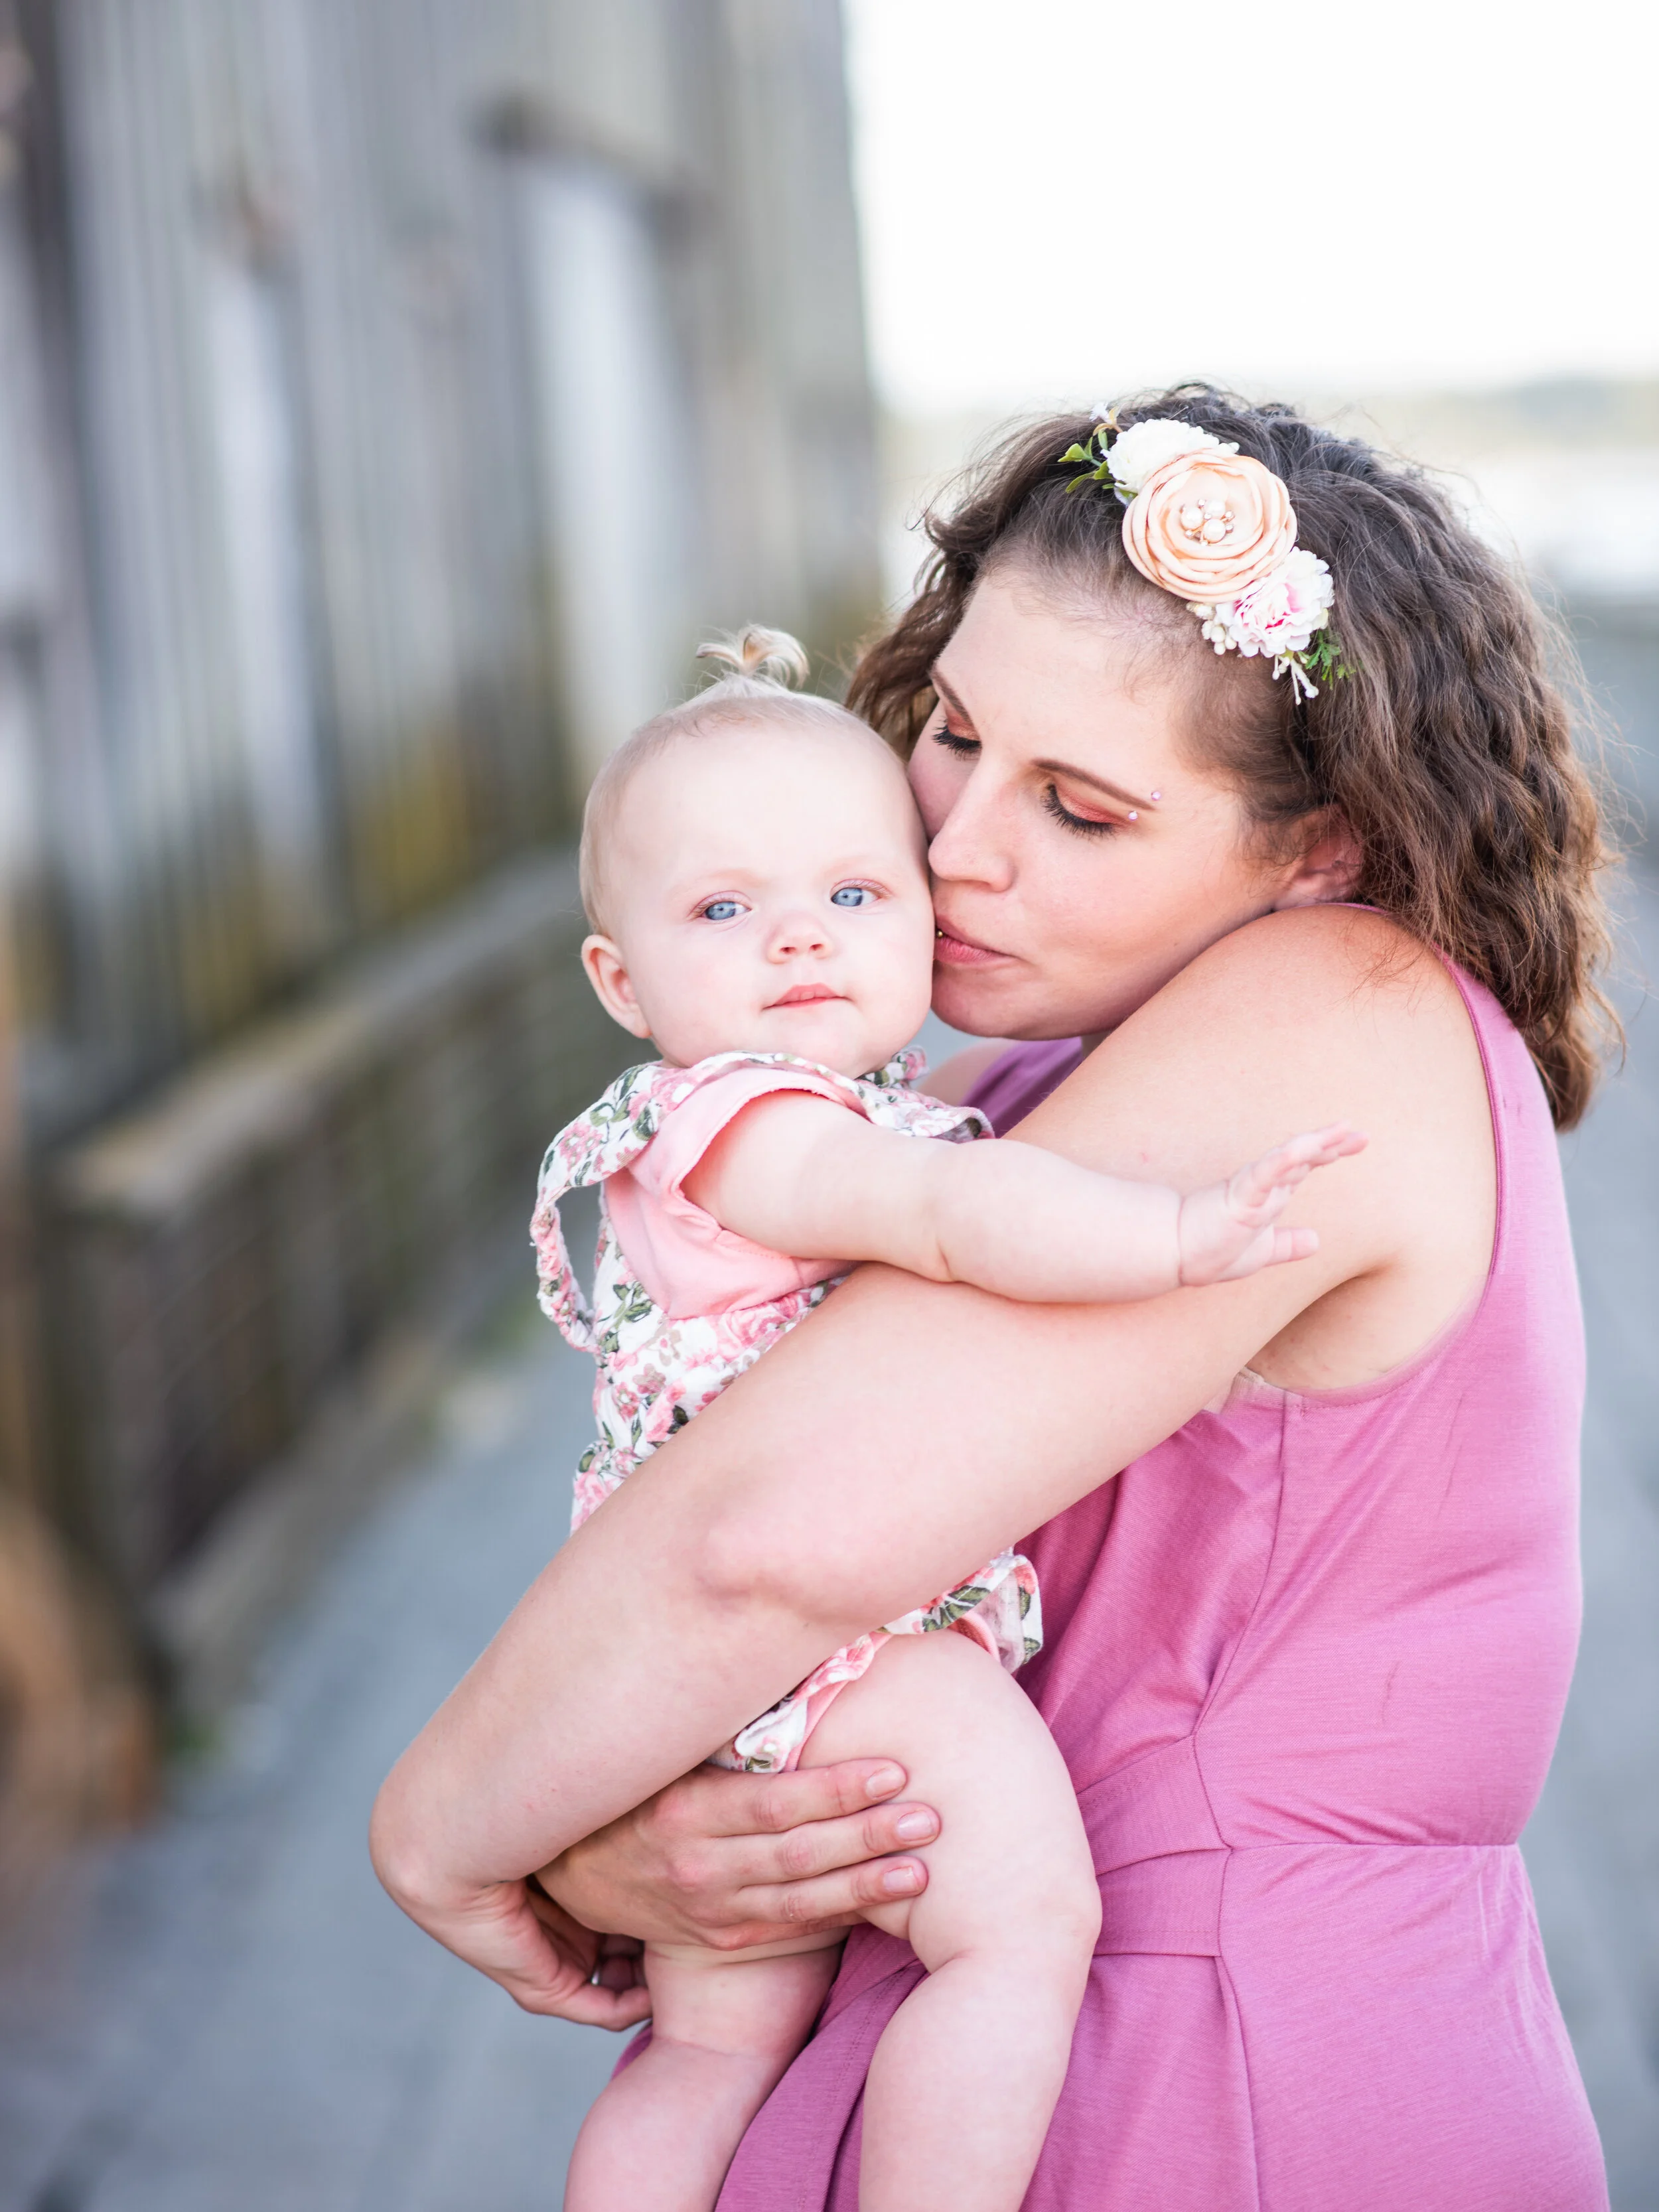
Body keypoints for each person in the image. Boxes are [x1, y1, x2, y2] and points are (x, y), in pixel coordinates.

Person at [372, 387, 1613, 2209]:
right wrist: (636, 1840)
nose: (954, 844)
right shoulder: (984, 1101)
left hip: (1217, 2085)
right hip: (988, 2000)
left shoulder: (1336, 1008)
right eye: (955, 727)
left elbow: (763, 1539)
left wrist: (440, 1828)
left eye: (1082, 807)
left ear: (1318, 851)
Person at [535, 622, 1358, 2211]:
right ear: (618, 978)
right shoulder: (748, 1118)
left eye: (853, 895)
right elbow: (947, 1208)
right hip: (830, 1645)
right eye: (724, 910)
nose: (797, 942)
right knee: (1018, 1925)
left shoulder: (778, 1109)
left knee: (708, 2054)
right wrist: (1175, 1241)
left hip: (710, 1668)